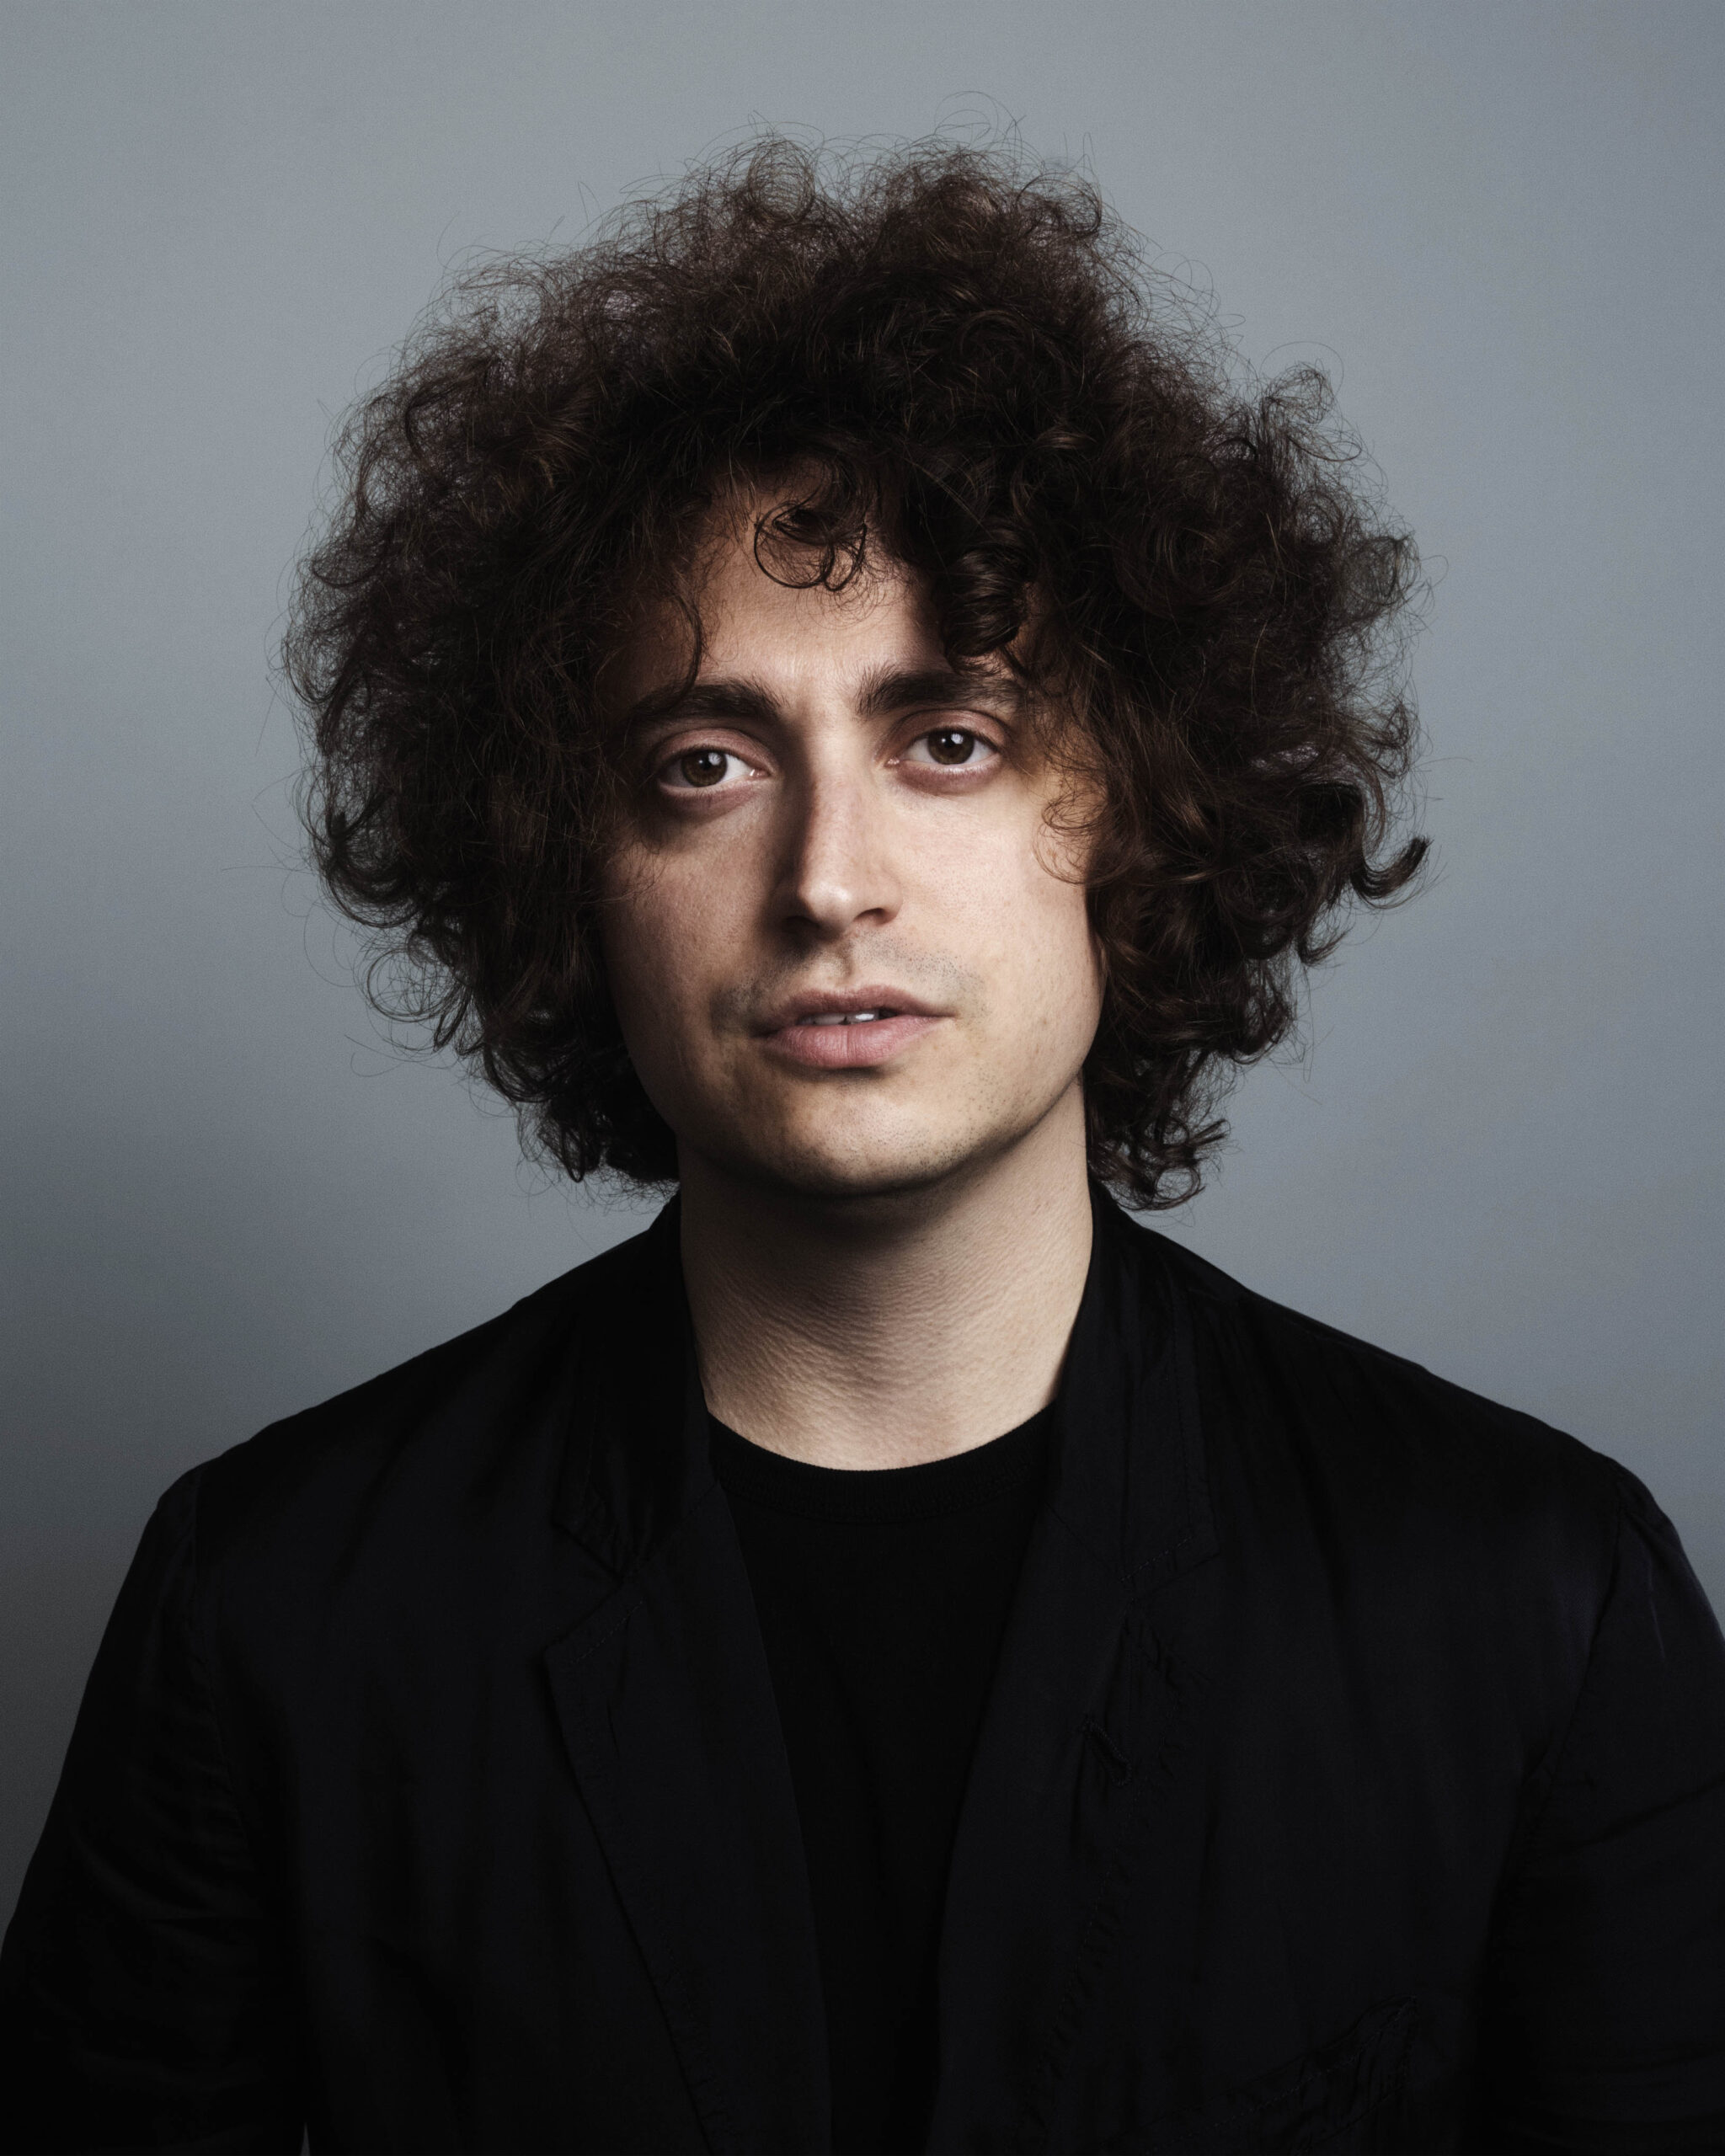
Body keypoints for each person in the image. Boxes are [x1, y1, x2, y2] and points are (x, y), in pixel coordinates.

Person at [3, 136, 1722, 2156]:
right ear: (568, 865)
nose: (830, 877)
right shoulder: (277, 1603)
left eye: (949, 739)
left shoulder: (1529, 1592)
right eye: (706, 763)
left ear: (1145, 809)